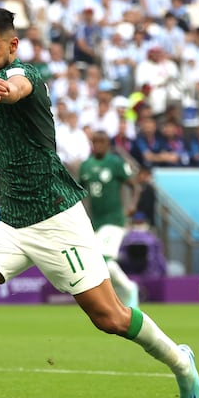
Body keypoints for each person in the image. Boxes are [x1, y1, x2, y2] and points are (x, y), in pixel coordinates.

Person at [0, 8, 199, 398]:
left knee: (110, 318)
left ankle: (180, 360)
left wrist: (9, 86)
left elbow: (20, 86)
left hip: (57, 220)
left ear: (12, 46)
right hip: (14, 223)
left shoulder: (23, 76)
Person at [79, 131, 141, 308]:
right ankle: (120, 295)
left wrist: (133, 205)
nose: (98, 145)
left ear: (108, 145)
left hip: (114, 220)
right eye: (95, 142)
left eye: (102, 142)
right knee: (99, 260)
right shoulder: (86, 166)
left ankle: (129, 288)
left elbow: (134, 185)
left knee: (103, 258)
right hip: (96, 221)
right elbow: (78, 190)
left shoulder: (115, 163)